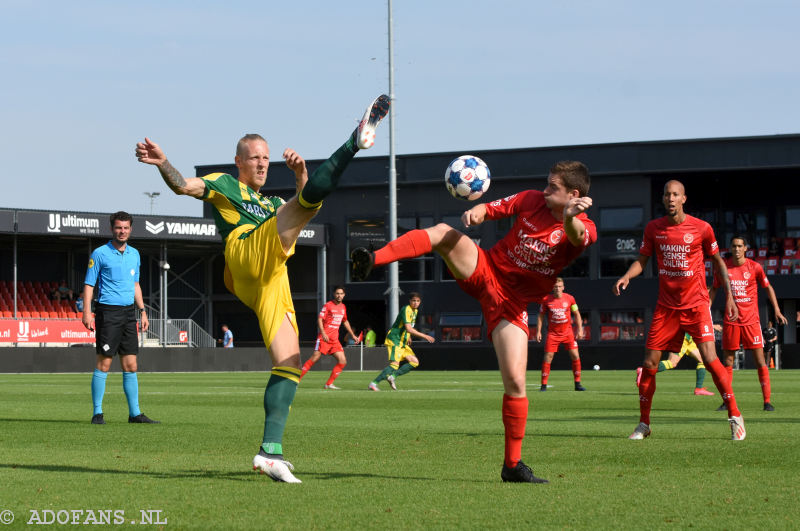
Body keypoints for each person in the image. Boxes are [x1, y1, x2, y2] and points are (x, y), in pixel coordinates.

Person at [136, 94, 390, 483]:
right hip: (244, 252)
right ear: (239, 161)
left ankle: (270, 451)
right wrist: (163, 163)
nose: (261, 164)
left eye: (266, 158)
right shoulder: (223, 183)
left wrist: (302, 174)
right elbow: (182, 186)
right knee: (297, 210)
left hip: (270, 277)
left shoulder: (271, 203)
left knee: (289, 363)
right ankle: (353, 142)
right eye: (254, 157)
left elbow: (307, 205)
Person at [352, 161, 596, 483]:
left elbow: (578, 237)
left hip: (512, 304)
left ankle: (512, 466)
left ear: (573, 195)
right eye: (547, 184)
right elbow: (493, 208)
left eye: (553, 187)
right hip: (485, 270)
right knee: (441, 232)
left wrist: (568, 218)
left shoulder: (583, 226)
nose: (545, 189)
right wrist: (477, 212)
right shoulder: (530, 199)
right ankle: (374, 258)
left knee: (516, 384)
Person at [613, 180, 745, 441]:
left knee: (709, 359)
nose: (670, 198)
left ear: (684, 198)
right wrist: (627, 276)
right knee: (649, 364)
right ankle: (644, 424)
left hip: (696, 306)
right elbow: (642, 260)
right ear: (663, 199)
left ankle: (735, 415)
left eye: (675, 194)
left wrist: (729, 297)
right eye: (666, 194)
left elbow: (719, 263)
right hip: (666, 308)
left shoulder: (702, 228)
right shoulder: (654, 228)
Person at [82, 211, 158, 425]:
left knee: (131, 364)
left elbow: (135, 285)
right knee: (104, 363)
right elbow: (89, 284)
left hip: (128, 314)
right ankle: (97, 413)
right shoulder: (99, 253)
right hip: (108, 312)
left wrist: (142, 310)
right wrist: (87, 312)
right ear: (112, 229)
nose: (122, 231)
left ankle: (135, 414)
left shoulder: (135, 254)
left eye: (125, 228)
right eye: (118, 227)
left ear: (130, 229)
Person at [709, 235, 788, 411]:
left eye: (739, 246)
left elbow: (768, 287)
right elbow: (713, 289)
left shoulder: (755, 267)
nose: (736, 249)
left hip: (751, 321)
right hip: (731, 321)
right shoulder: (723, 268)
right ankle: (726, 401)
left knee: (760, 361)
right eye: (734, 246)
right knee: (728, 361)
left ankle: (767, 402)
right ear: (730, 248)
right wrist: (706, 310)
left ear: (746, 248)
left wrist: (776, 309)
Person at [368, 292, 434, 392]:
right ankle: (373, 384)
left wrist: (408, 337)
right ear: (410, 301)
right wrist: (425, 335)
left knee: (414, 362)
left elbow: (409, 327)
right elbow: (408, 328)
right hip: (395, 339)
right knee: (394, 364)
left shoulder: (414, 311)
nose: (415, 303)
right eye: (413, 301)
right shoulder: (406, 309)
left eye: (418, 301)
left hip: (402, 341)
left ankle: (392, 377)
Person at [300, 286, 360, 388]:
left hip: (334, 340)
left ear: (344, 295)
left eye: (341, 293)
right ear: (334, 294)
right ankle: (296, 381)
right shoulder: (328, 305)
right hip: (324, 338)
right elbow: (320, 319)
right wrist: (323, 332)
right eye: (337, 293)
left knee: (343, 361)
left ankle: (329, 384)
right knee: (315, 357)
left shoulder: (343, 307)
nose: (339, 295)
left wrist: (353, 335)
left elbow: (345, 321)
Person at [535, 277, 586, 392]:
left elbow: (576, 314)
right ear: (552, 288)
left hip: (568, 333)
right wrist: (538, 331)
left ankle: (577, 384)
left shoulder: (570, 299)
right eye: (555, 287)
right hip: (553, 334)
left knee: (575, 355)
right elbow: (540, 316)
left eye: (559, 286)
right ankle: (543, 385)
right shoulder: (546, 299)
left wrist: (580, 330)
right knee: (548, 357)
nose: (557, 289)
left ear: (563, 287)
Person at [634, 332, 714, 396]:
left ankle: (699, 389)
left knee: (702, 360)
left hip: (690, 339)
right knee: (672, 363)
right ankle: (644, 371)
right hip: (683, 338)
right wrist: (713, 326)